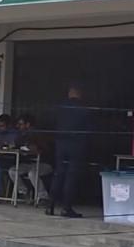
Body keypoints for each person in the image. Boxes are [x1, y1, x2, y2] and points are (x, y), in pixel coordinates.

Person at [47, 83, 89, 219]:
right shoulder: (83, 108)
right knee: (71, 176)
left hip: (60, 144)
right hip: (75, 145)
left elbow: (53, 122)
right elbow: (89, 127)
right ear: (79, 93)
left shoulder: (60, 107)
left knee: (58, 173)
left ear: (69, 93)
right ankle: (66, 207)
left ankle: (50, 206)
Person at [10, 114, 53, 206]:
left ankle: (43, 197)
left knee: (32, 173)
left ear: (28, 124)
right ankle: (23, 192)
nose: (18, 126)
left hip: (44, 163)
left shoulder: (39, 134)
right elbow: (17, 146)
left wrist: (36, 149)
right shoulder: (21, 135)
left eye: (21, 124)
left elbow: (46, 150)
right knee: (13, 171)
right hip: (28, 163)